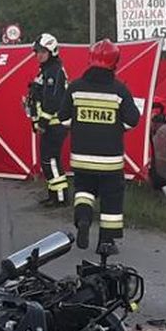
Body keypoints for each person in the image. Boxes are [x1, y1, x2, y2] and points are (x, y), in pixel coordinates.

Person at [67, 39, 140, 255]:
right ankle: (106, 242)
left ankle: (83, 220)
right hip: (110, 159)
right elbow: (132, 120)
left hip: (81, 157)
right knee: (111, 200)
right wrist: (116, 128)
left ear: (90, 59)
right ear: (114, 62)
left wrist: (81, 126)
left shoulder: (75, 88)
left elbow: (62, 119)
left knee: (83, 192)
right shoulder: (119, 90)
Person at [29, 33, 70, 207]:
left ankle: (60, 197)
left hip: (54, 125)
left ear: (52, 51)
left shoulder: (54, 71)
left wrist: (42, 123)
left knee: (51, 160)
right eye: (37, 51)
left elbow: (52, 101)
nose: (39, 55)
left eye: (43, 51)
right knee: (48, 160)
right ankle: (54, 194)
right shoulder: (47, 70)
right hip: (50, 124)